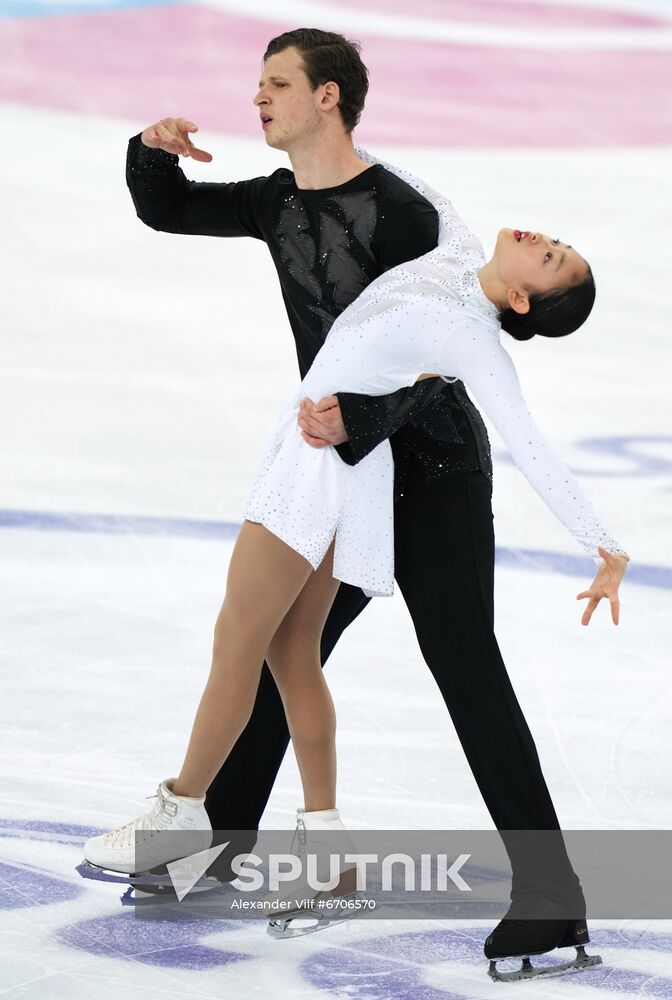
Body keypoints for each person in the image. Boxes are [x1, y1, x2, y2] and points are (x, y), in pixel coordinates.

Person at [82, 29, 627, 969]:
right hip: (349, 464)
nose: (258, 99)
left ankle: (552, 895)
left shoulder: (406, 212)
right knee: (284, 647)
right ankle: (223, 841)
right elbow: (168, 210)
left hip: (435, 468)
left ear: (326, 98)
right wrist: (150, 150)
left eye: (277, 84)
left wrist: (362, 417)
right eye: (259, 84)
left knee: (464, 665)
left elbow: (445, 347)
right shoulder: (279, 200)